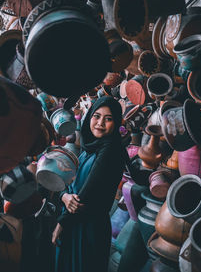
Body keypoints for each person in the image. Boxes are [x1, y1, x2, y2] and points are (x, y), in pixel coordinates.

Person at [52, 96, 126, 272]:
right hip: (73, 221)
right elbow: (70, 182)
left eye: (108, 119)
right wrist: (63, 196)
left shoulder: (111, 150)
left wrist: (62, 223)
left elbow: (86, 193)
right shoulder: (91, 147)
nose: (100, 123)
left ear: (116, 123)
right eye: (97, 116)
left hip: (89, 228)